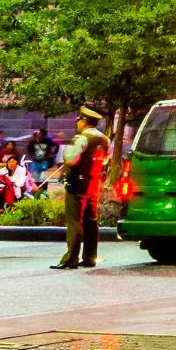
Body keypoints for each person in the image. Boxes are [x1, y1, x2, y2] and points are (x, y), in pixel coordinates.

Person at [55, 106, 111, 271]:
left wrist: (68, 150)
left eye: (79, 120)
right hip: (94, 184)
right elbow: (105, 161)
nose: (78, 123)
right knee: (91, 221)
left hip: (78, 184)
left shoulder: (82, 138)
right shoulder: (104, 139)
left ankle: (71, 258)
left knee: (74, 221)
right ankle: (89, 257)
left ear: (85, 122)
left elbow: (71, 159)